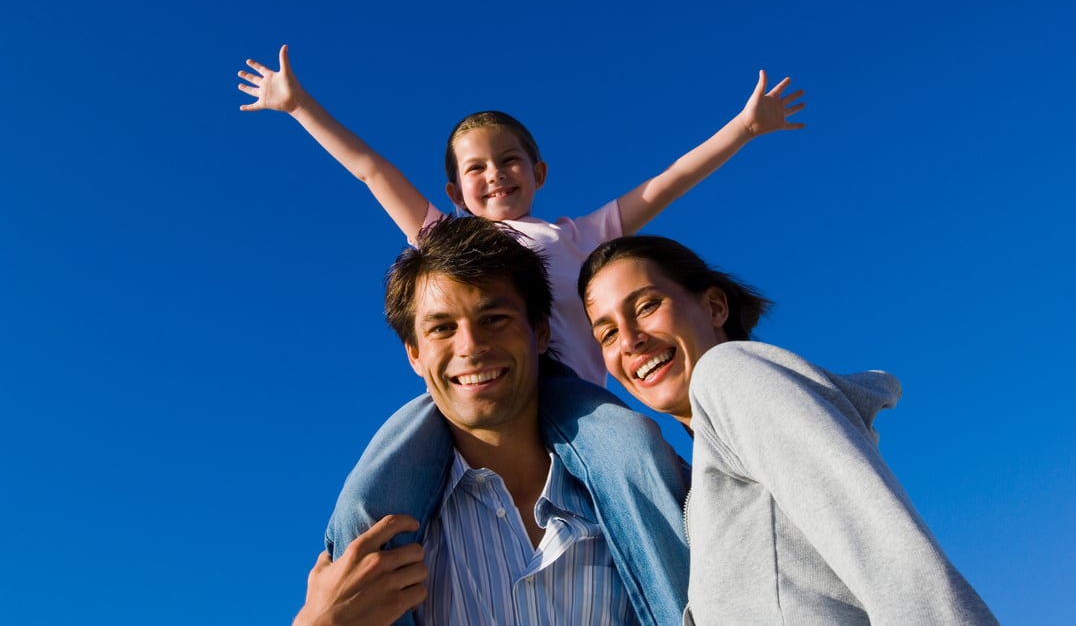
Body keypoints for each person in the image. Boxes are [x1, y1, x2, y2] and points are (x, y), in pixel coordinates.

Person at [237, 44, 804, 384]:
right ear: (455, 191)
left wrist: (745, 128)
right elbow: (371, 170)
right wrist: (298, 106)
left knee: (634, 460)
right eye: (476, 169)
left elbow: (665, 184)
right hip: (485, 387)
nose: (495, 174)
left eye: (510, 161)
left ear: (539, 173)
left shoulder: (578, 236)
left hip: (576, 401)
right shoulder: (446, 240)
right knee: (400, 447)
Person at [578, 235, 1000, 625]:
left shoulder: (728, 374)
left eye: (647, 306)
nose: (630, 341)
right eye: (608, 333)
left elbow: (890, 555)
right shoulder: (708, 474)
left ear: (714, 307)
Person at [295, 216, 691, 626]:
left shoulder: (650, 491)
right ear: (414, 355)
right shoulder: (376, 548)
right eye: (442, 328)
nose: (471, 346)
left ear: (539, 331)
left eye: (494, 318)